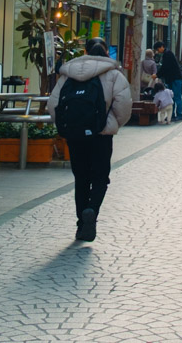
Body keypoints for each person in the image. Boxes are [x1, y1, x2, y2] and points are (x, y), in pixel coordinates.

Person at [48, 37, 131, 241]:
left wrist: (67, 126)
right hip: (101, 136)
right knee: (100, 176)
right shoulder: (114, 75)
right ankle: (92, 211)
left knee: (81, 178)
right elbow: (123, 107)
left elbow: (53, 104)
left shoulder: (68, 74)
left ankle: (80, 223)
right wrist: (109, 124)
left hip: (75, 135)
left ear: (85, 51)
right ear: (105, 53)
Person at [153, 41, 182, 124]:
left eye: (157, 49)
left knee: (177, 97)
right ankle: (172, 115)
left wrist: (157, 75)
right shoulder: (166, 54)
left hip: (175, 79)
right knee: (172, 98)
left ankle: (179, 115)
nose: (157, 51)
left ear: (162, 47)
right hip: (172, 79)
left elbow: (165, 67)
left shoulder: (167, 54)